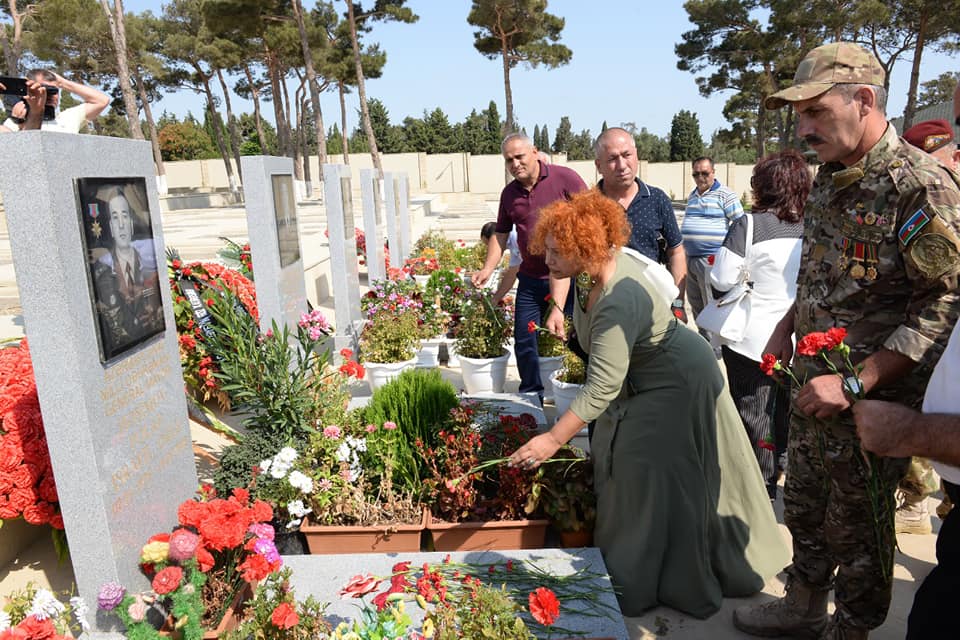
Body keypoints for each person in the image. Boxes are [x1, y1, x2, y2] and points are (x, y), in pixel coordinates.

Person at [733, 42, 960, 640]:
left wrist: (857, 382)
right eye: (799, 115)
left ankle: (851, 628)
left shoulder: (919, 185)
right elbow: (822, 273)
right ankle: (803, 604)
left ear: (863, 100)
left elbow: (943, 305)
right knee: (805, 505)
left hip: (871, 403)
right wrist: (787, 324)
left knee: (859, 526)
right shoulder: (832, 176)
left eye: (816, 112)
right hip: (814, 385)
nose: (803, 129)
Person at [508, 189, 789, 619]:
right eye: (546, 250)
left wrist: (551, 440)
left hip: (677, 381)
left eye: (555, 252)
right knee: (633, 470)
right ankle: (641, 568)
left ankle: (653, 582)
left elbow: (601, 387)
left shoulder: (618, 299)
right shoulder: (593, 273)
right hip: (648, 376)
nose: (546, 261)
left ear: (585, 248)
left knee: (646, 475)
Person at [709, 149, 811, 501]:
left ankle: (761, 488)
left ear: (762, 185)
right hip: (799, 337)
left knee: (754, 412)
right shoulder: (813, 224)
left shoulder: (748, 225)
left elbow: (721, 279)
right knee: (785, 410)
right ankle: (782, 465)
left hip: (751, 339)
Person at [472, 134, 587, 398]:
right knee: (524, 339)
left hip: (569, 279)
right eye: (508, 160)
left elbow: (591, 217)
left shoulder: (565, 179)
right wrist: (488, 268)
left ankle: (583, 393)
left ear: (534, 152)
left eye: (519, 156)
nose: (515, 164)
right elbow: (501, 234)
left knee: (576, 337)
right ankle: (531, 395)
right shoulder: (509, 194)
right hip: (530, 280)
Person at [594, 127, 688, 322]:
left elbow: (676, 252)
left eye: (627, 155)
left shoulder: (657, 199)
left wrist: (678, 303)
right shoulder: (588, 205)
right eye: (612, 159)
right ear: (598, 165)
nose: (622, 165)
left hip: (653, 308)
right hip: (605, 310)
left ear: (636, 156)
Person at [92, 186, 163, 357]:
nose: (121, 224)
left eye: (125, 216)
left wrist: (156, 313)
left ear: (131, 224)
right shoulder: (103, 269)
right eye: (115, 218)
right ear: (111, 227)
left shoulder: (145, 259)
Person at [682, 156, 744, 337]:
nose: (700, 178)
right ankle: (704, 342)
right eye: (696, 174)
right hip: (690, 259)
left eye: (704, 173)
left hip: (711, 260)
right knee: (696, 304)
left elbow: (740, 225)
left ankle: (716, 346)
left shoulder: (725, 195)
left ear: (713, 173)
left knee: (712, 305)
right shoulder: (693, 195)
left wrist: (726, 252)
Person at [1, 69, 109, 133]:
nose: (52, 96)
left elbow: (102, 101)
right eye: (45, 90)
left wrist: (62, 83)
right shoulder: (15, 121)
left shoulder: (67, 118)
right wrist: (20, 123)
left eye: (54, 91)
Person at [479, 221, 521, 305]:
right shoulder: (512, 246)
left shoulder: (516, 237)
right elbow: (512, 273)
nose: (491, 250)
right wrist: (496, 299)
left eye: (489, 245)